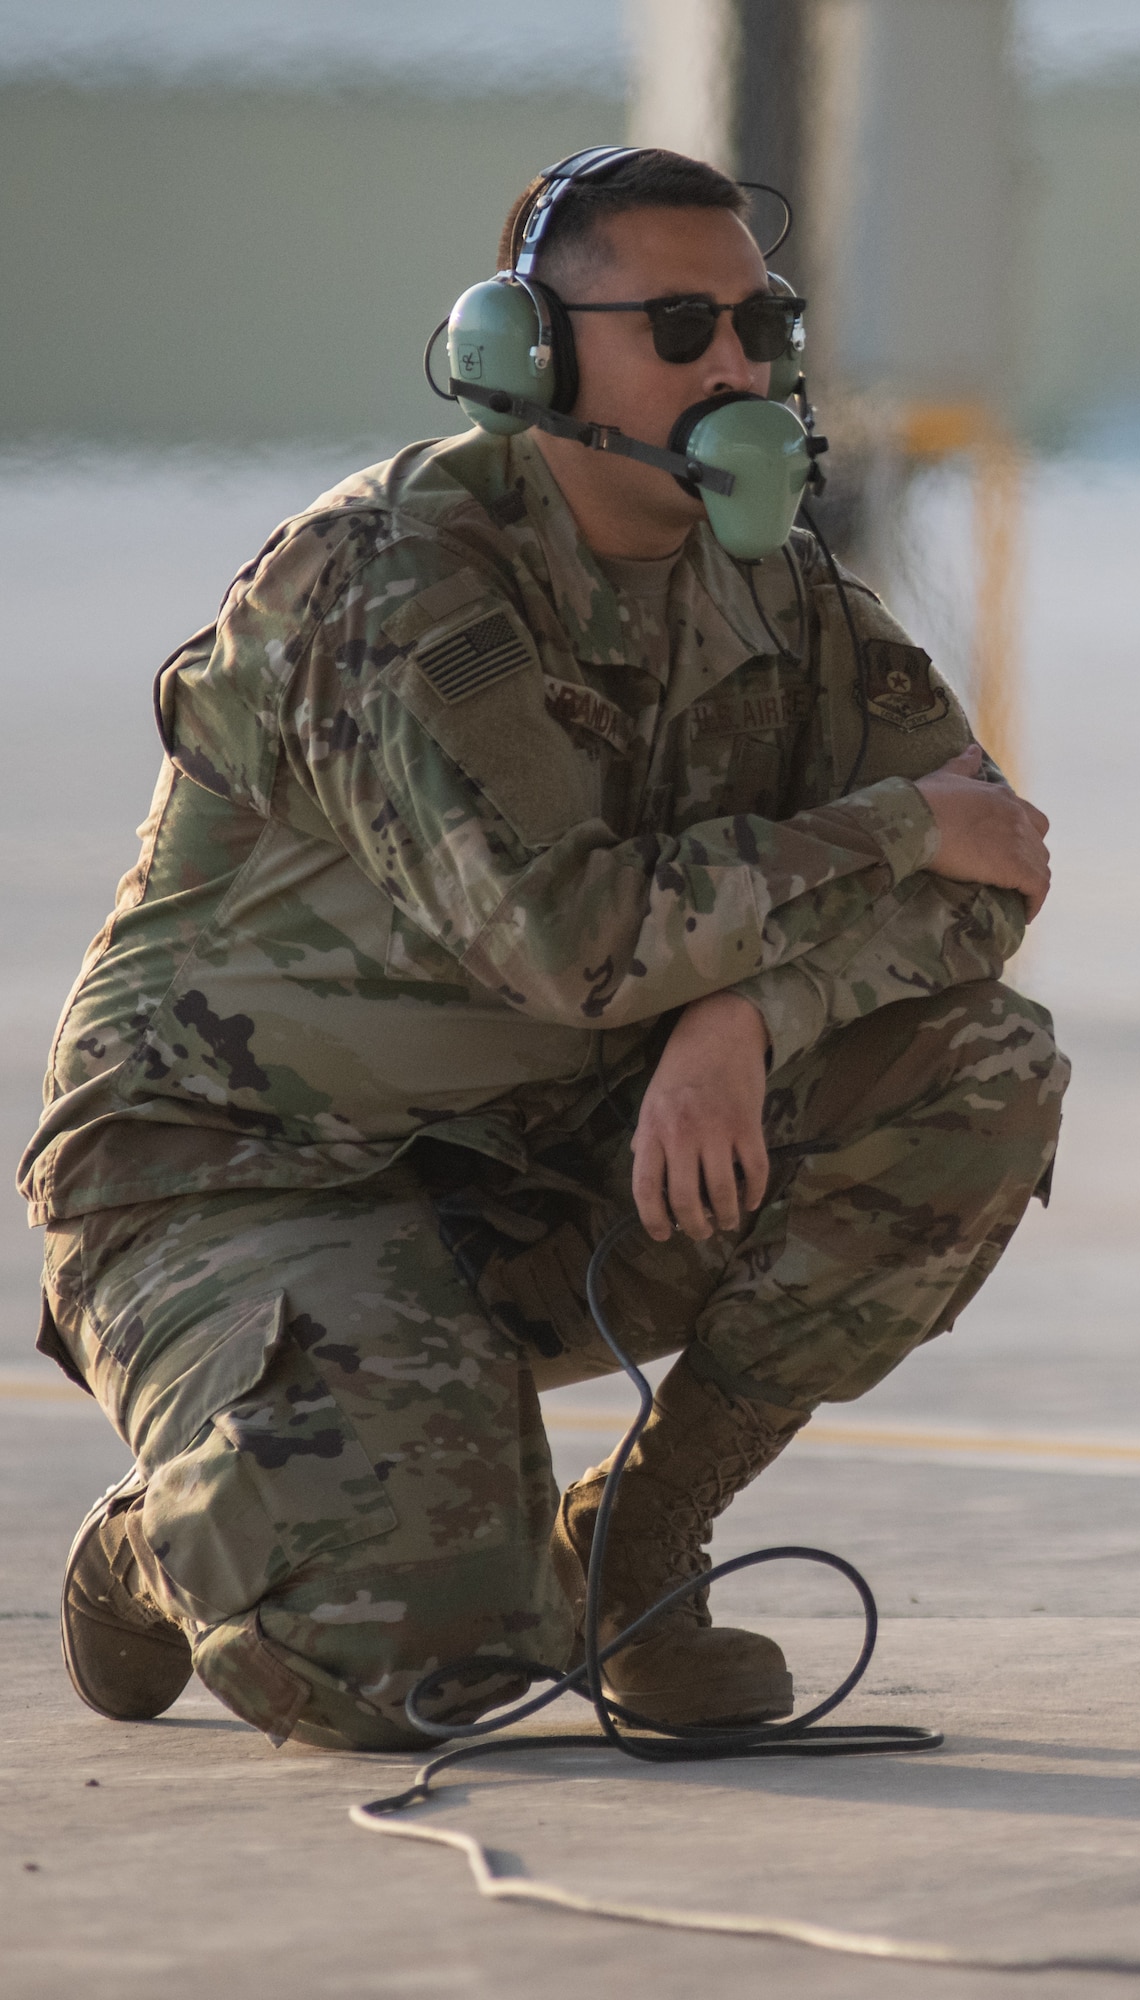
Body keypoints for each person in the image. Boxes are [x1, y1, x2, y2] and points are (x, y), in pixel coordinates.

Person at [21, 147, 1067, 1752]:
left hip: (544, 1151)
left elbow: (990, 872)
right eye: (677, 325)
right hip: (244, 1169)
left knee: (977, 1071)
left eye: (758, 325)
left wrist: (753, 1016)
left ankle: (633, 1550)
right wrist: (883, 833)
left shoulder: (773, 581)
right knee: (404, 1669)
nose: (734, 365)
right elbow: (571, 945)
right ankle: (161, 1542)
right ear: (527, 356)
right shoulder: (393, 587)